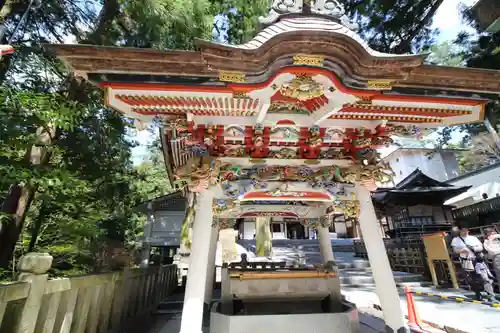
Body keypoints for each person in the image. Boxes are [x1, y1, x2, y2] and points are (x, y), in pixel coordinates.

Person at [451, 226, 497, 302]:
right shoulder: (456, 240)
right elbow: (455, 251)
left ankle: (491, 296)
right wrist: (463, 251)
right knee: (474, 279)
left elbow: (480, 247)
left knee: (485, 278)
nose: (465, 232)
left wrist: (473, 248)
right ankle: (478, 294)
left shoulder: (473, 238)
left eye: (466, 230)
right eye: (463, 230)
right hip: (467, 261)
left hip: (478, 260)